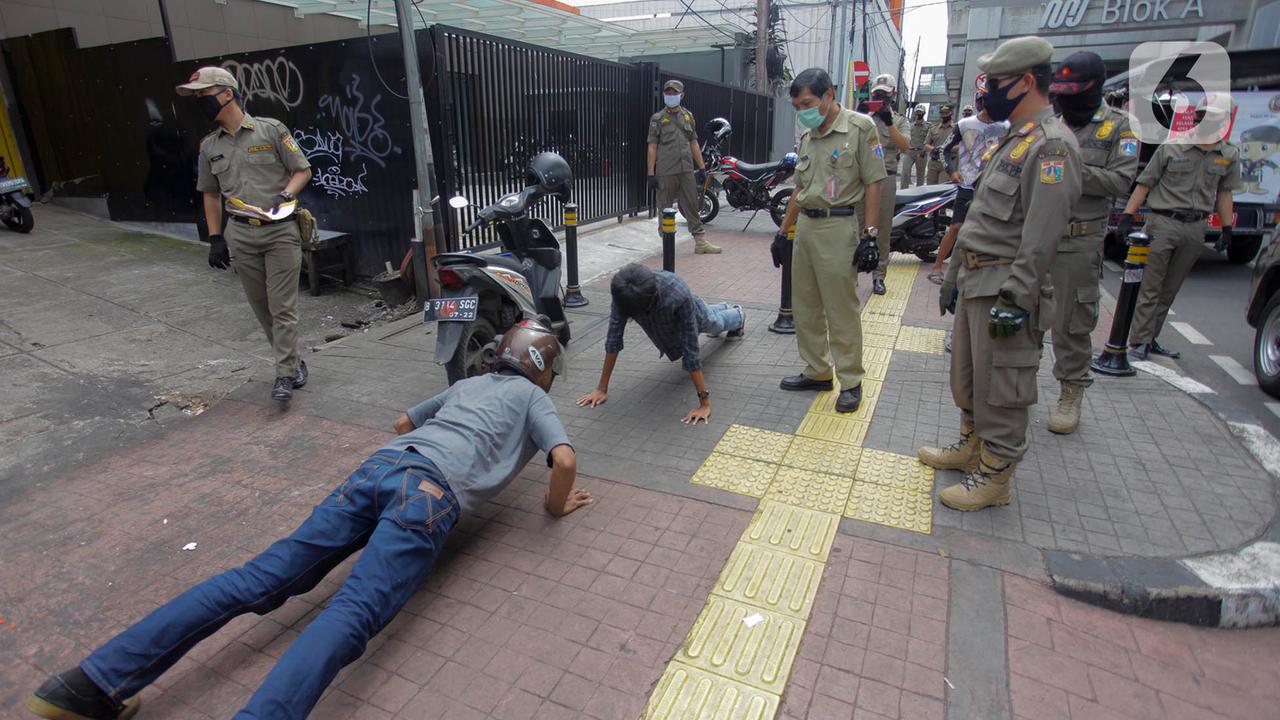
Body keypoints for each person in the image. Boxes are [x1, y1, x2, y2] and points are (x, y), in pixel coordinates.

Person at [25, 321, 591, 720]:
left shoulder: (469, 383)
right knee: (350, 615)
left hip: (380, 469)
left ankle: (90, 683)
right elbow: (562, 460)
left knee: (257, 579)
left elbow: (402, 422)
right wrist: (554, 504)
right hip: (428, 495)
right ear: (543, 372)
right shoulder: (533, 398)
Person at [918, 36, 1082, 512]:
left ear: (1027, 81)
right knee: (968, 378)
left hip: (1005, 287)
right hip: (975, 280)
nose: (985, 91)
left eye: (994, 82)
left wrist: (1018, 296)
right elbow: (980, 215)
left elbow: (1042, 234)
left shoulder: (1052, 146)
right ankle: (971, 445)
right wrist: (950, 272)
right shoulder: (1014, 138)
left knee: (1003, 387)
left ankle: (996, 476)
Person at [180, 67, 313, 402]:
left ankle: (284, 374)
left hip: (280, 230)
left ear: (227, 93)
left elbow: (302, 169)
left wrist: (286, 195)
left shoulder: (270, 130)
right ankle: (293, 360)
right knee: (262, 306)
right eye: (196, 96)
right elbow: (210, 194)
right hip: (240, 233)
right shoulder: (209, 146)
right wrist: (214, 238)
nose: (199, 101)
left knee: (282, 307)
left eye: (203, 93)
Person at [774, 68, 884, 413]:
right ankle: (818, 371)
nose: (803, 110)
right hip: (806, 226)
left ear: (829, 95)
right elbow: (800, 189)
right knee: (804, 306)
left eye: (807, 103)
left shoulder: (860, 128)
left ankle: (850, 380)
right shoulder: (808, 138)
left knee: (840, 308)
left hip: (838, 228)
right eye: (797, 106)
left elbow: (874, 182)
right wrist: (783, 232)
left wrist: (870, 235)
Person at [1046, 52, 1139, 434]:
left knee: (1071, 323)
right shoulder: (1049, 125)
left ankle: (1071, 392)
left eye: (1073, 91)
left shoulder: (1119, 127)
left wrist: (1071, 167)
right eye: (1060, 92)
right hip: (1037, 235)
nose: (1065, 99)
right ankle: (1015, 394)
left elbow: (1120, 182)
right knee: (1021, 317)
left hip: (1078, 241)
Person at [1118, 94, 1242, 360]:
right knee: (1151, 286)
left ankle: (1151, 338)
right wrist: (1127, 215)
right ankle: (1138, 340)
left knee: (1170, 289)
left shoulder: (1228, 154)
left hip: (1195, 227)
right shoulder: (1172, 148)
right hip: (1163, 223)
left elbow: (1224, 193)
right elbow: (1145, 183)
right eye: (1203, 116)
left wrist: (1227, 229)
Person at [577, 264, 744, 423]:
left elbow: (691, 350)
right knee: (710, 316)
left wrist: (705, 404)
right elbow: (614, 338)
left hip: (694, 312)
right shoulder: (623, 293)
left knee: (715, 324)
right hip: (676, 312)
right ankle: (721, 307)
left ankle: (738, 314)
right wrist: (601, 389)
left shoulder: (677, 293)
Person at [928, 92, 1009, 285]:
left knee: (989, 229)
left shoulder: (1005, 126)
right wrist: (951, 171)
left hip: (993, 186)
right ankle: (937, 268)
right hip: (967, 183)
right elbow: (944, 150)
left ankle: (981, 272)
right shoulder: (965, 125)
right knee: (956, 226)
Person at [648, 79, 719, 254]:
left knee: (692, 205)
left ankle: (700, 242)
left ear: (682, 95)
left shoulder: (688, 116)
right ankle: (667, 242)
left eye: (675, 93)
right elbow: (652, 146)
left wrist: (701, 168)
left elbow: (694, 142)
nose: (671, 96)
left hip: (686, 169)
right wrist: (650, 173)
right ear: (664, 95)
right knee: (665, 206)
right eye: (668, 93)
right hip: (666, 170)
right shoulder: (658, 119)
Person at [859, 73, 910, 295]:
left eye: (884, 94)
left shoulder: (899, 120)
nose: (880, 97)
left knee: (881, 229)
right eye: (877, 93)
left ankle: (879, 275)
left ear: (893, 95)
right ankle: (851, 273)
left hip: (885, 177)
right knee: (854, 226)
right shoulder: (863, 118)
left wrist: (889, 122)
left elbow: (905, 146)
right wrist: (859, 116)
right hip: (859, 177)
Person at [925, 104, 956, 185]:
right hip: (934, 163)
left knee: (942, 189)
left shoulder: (956, 129)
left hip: (948, 163)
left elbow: (960, 145)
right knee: (930, 189)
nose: (944, 115)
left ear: (951, 113)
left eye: (946, 113)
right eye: (942, 113)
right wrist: (933, 149)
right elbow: (926, 145)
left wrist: (947, 148)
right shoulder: (933, 129)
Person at [901, 107, 929, 189]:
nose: (918, 114)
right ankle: (903, 192)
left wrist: (924, 150)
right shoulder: (910, 126)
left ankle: (919, 193)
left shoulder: (928, 126)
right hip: (909, 152)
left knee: (920, 175)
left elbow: (929, 140)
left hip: (921, 152)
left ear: (924, 113)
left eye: (920, 112)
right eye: (917, 112)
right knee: (905, 172)